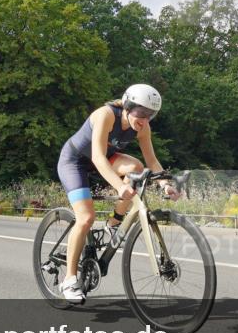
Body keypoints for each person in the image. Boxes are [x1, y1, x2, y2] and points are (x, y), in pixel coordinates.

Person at [55, 84, 179, 304]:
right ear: (128, 106)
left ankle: (113, 224)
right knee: (85, 218)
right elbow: (98, 157)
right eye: (141, 113)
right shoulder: (105, 115)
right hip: (75, 162)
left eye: (151, 115)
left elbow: (152, 161)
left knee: (137, 168)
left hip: (103, 160)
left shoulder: (143, 127)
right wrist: (120, 187)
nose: (144, 119)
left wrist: (165, 185)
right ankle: (69, 279)